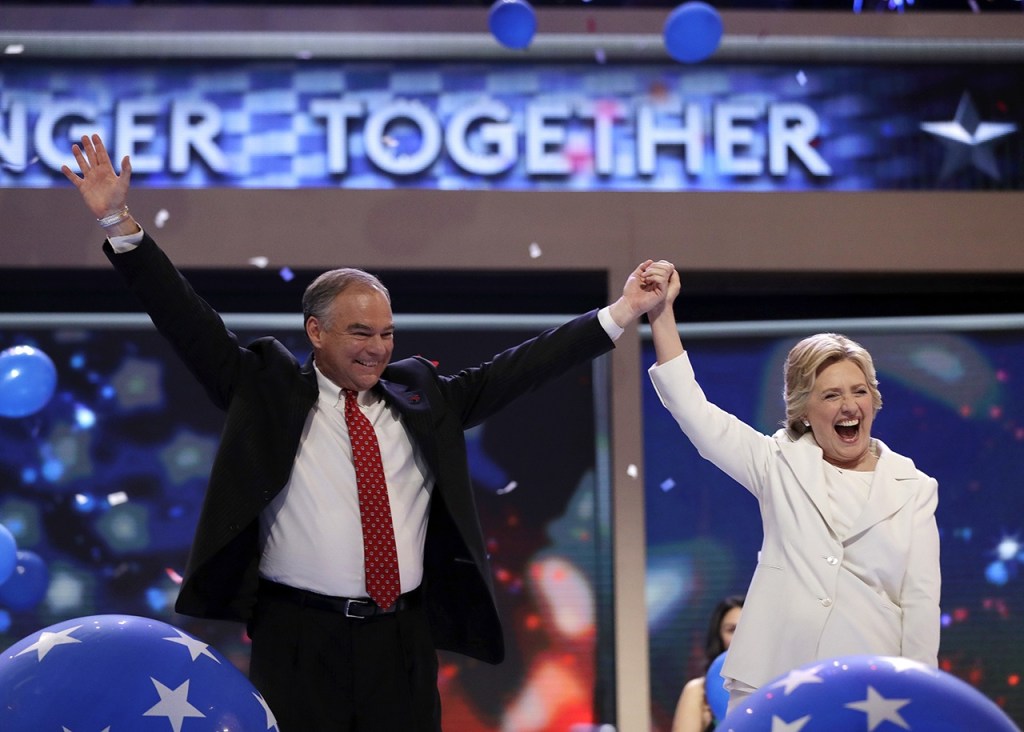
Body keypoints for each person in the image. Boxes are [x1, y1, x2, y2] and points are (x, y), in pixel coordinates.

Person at [62, 133, 675, 731]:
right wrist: (118, 220)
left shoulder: (423, 399)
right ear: (316, 332)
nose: (378, 348)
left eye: (386, 333)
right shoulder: (265, 389)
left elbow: (526, 365)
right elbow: (184, 318)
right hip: (297, 638)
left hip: (400, 639)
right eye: (360, 333)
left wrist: (622, 311)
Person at [647, 265, 941, 713]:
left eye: (859, 392)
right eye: (830, 395)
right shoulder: (777, 463)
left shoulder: (914, 488)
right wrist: (662, 315)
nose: (849, 406)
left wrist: (919, 699)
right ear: (803, 411)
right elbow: (694, 411)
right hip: (775, 683)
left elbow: (920, 602)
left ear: (874, 400)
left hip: (870, 693)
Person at [672, 595, 744, 732]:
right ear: (718, 636)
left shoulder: (774, 685)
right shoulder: (699, 692)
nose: (740, 636)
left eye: (747, 628)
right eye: (732, 630)